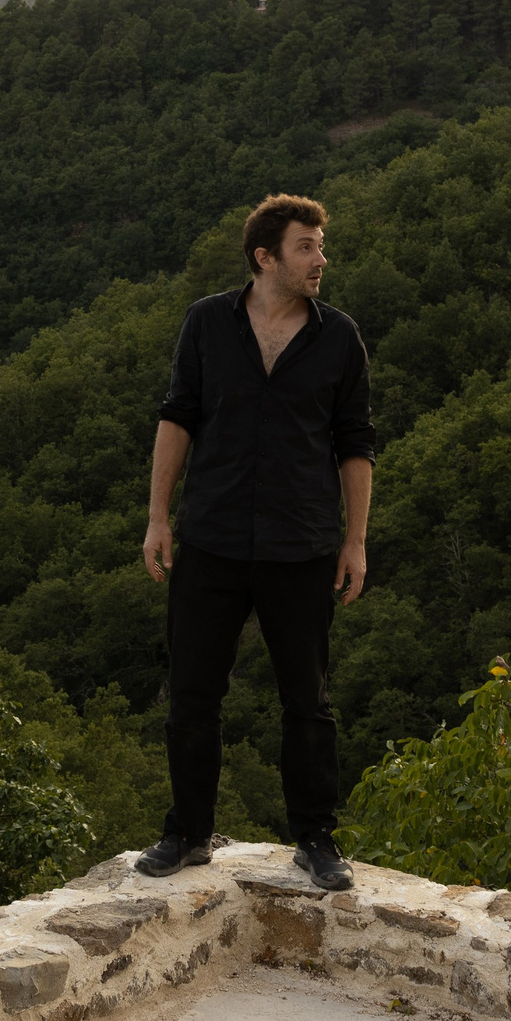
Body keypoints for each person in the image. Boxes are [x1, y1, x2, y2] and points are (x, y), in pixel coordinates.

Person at [135, 193, 374, 891]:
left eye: (321, 245)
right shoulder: (208, 323)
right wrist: (158, 516)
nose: (321, 258)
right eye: (307, 246)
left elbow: (354, 445)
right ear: (265, 256)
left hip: (300, 546)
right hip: (210, 538)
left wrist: (355, 541)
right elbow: (176, 418)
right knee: (192, 694)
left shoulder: (339, 337)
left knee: (307, 698)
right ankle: (187, 830)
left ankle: (317, 838)